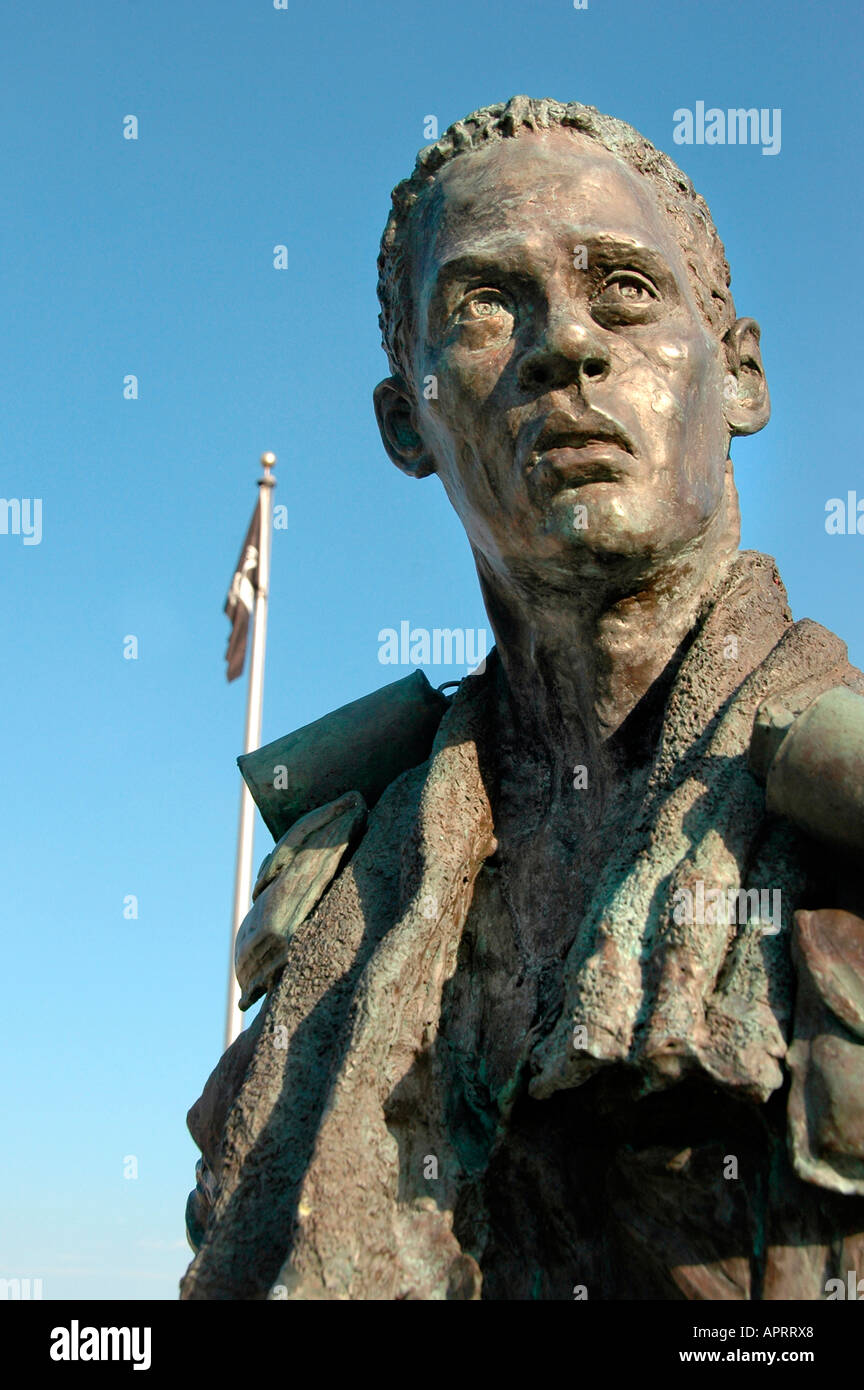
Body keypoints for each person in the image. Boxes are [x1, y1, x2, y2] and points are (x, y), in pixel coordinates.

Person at [182, 97, 864, 1301]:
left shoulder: (843, 819)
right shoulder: (342, 882)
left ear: (741, 373)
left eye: (626, 291)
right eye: (486, 305)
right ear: (409, 423)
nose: (567, 346)